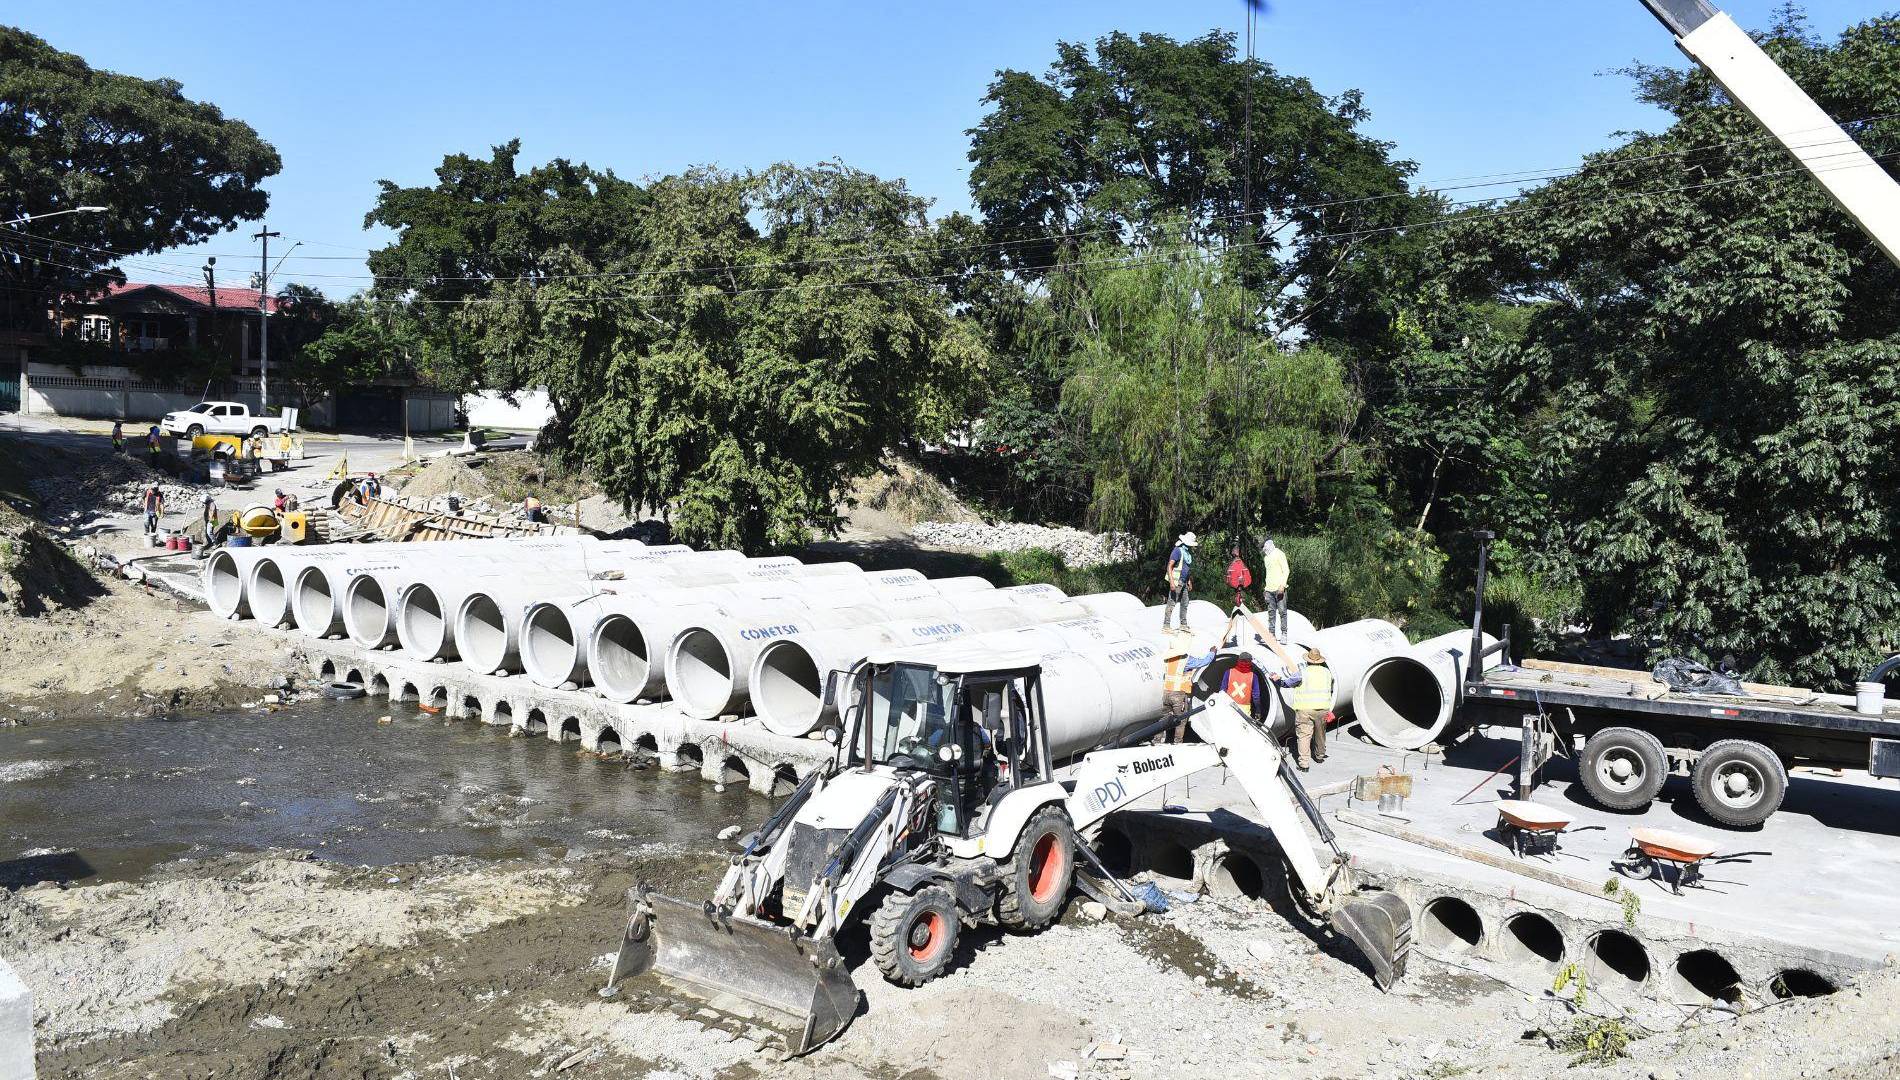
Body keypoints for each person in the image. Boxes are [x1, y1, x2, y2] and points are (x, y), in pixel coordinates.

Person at [1287, 647, 1334, 770]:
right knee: (1320, 733)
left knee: (1304, 736)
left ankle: (1304, 764)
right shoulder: (1327, 672)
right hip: (1322, 708)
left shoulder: (1302, 672)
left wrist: (1277, 681)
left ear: (1307, 660)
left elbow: (1288, 683)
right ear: (1320, 661)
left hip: (1305, 709)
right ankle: (1319, 756)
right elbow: (1331, 687)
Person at [1158, 629, 1196, 744]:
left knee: (1164, 719)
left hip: (1166, 693)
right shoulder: (1185, 660)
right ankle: (1177, 742)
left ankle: (1156, 739)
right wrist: (1212, 653)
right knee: (1181, 720)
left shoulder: (1168, 659)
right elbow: (1203, 662)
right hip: (1178, 695)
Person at [1162, 531, 1197, 631]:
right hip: (1177, 582)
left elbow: (1187, 568)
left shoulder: (1188, 554)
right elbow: (1170, 565)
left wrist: (1189, 580)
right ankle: (1166, 625)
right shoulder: (1177, 551)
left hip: (1184, 582)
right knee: (1171, 603)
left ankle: (1183, 624)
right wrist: (1172, 582)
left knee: (1185, 603)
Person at [1260, 536, 1291, 642]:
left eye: (1264, 547)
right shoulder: (1266, 558)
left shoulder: (1279, 554)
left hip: (1279, 588)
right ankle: (1271, 634)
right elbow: (1268, 574)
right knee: (1271, 613)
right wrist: (1265, 588)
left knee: (1282, 611)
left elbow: (1286, 570)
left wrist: (1282, 585)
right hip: (1269, 589)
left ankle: (1284, 634)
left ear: (1268, 545)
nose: (1263, 549)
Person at [1225, 545, 1252, 610]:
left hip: (1238, 584)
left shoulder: (1235, 563)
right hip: (1238, 584)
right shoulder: (1238, 563)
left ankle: (1241, 605)